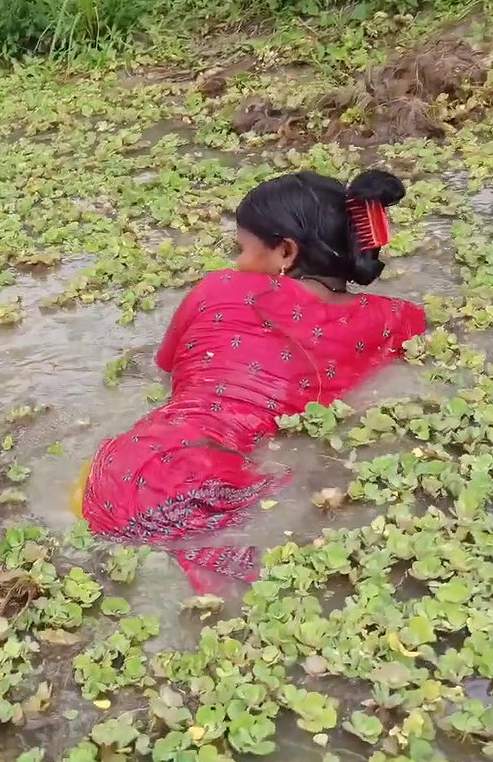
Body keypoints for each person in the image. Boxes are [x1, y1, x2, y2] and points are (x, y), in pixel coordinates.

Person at [77, 168, 428, 593]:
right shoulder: (397, 320)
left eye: (241, 249)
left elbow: (168, 368)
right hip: (225, 488)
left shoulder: (219, 287)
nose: (237, 263)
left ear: (285, 252)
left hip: (123, 467)